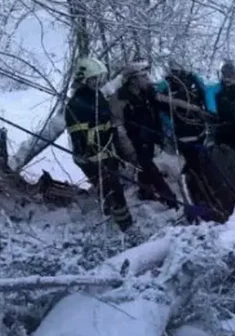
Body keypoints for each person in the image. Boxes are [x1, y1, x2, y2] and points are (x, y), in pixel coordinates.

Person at [65, 56, 137, 231]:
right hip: (92, 157)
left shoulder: (96, 96)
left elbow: (108, 122)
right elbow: (78, 138)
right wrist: (87, 155)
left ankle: (110, 217)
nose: (98, 82)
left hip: (106, 152)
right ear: (84, 80)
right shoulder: (76, 105)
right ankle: (126, 227)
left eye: (100, 79)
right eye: (94, 79)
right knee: (114, 190)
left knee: (109, 188)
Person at [109, 62, 179, 209]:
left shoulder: (147, 92)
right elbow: (117, 125)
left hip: (149, 137)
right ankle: (171, 201)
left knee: (146, 168)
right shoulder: (119, 98)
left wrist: (192, 109)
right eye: (143, 76)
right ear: (133, 80)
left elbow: (165, 101)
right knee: (150, 168)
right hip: (133, 141)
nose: (147, 79)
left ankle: (144, 192)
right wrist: (128, 150)